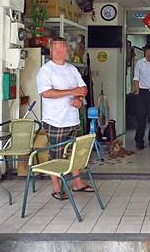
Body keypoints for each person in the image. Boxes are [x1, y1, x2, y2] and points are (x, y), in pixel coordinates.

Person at [36, 37, 93, 200]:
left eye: (62, 47)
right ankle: (56, 187)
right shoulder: (46, 70)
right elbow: (46, 93)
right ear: (51, 51)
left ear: (66, 49)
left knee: (73, 153)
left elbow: (83, 88)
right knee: (56, 155)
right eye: (56, 48)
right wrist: (71, 92)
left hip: (73, 119)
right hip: (55, 121)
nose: (60, 50)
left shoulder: (72, 69)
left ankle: (78, 183)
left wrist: (79, 99)